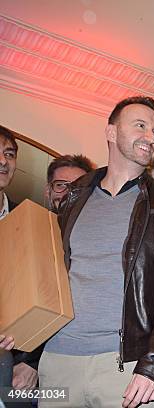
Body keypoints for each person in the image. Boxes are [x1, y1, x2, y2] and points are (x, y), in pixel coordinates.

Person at [36, 96, 154, 408]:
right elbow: (46, 273)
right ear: (111, 132)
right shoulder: (72, 197)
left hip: (127, 367)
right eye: (141, 125)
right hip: (58, 362)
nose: (151, 137)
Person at [0, 126, 42, 408]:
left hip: (13, 375)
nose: (3, 161)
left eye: (9, 154)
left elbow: (48, 297)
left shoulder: (30, 222)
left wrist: (31, 361)